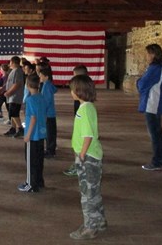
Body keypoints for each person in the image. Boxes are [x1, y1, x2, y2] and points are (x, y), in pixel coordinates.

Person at [69, 75, 107, 240]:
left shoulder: (84, 110)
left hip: (88, 157)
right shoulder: (88, 107)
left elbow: (88, 135)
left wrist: (82, 154)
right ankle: (99, 221)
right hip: (92, 155)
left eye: (72, 89)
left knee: (87, 193)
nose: (71, 92)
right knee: (94, 190)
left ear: (79, 91)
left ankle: (90, 227)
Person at [137, 44, 162, 171]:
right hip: (156, 103)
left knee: (154, 134)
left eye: (148, 53)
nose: (146, 56)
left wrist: (138, 81)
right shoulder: (161, 68)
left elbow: (143, 84)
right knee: (158, 132)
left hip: (152, 104)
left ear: (153, 54)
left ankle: (157, 161)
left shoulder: (154, 69)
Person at [17, 73, 47, 193]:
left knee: (30, 160)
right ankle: (39, 181)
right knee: (39, 159)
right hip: (41, 134)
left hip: (33, 135)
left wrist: (27, 135)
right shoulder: (42, 97)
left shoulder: (30, 100)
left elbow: (33, 118)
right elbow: (43, 115)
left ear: (28, 85)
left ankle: (30, 184)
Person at [64, 64, 89, 177]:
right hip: (79, 121)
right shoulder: (81, 102)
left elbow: (88, 134)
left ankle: (79, 165)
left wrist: (82, 153)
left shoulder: (86, 108)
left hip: (82, 135)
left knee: (80, 145)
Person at [3, 56, 25, 138]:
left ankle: (20, 128)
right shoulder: (13, 71)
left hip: (15, 96)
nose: (9, 64)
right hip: (11, 97)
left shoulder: (17, 71)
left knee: (14, 113)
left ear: (13, 62)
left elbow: (17, 84)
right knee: (11, 113)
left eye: (10, 62)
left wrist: (9, 92)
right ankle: (13, 128)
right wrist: (3, 88)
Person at [39, 67, 57, 158]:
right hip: (50, 113)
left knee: (49, 134)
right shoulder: (48, 85)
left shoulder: (46, 86)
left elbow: (46, 101)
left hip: (48, 114)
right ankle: (51, 149)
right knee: (51, 133)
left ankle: (50, 151)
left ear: (46, 76)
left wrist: (44, 113)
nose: (40, 77)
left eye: (41, 76)